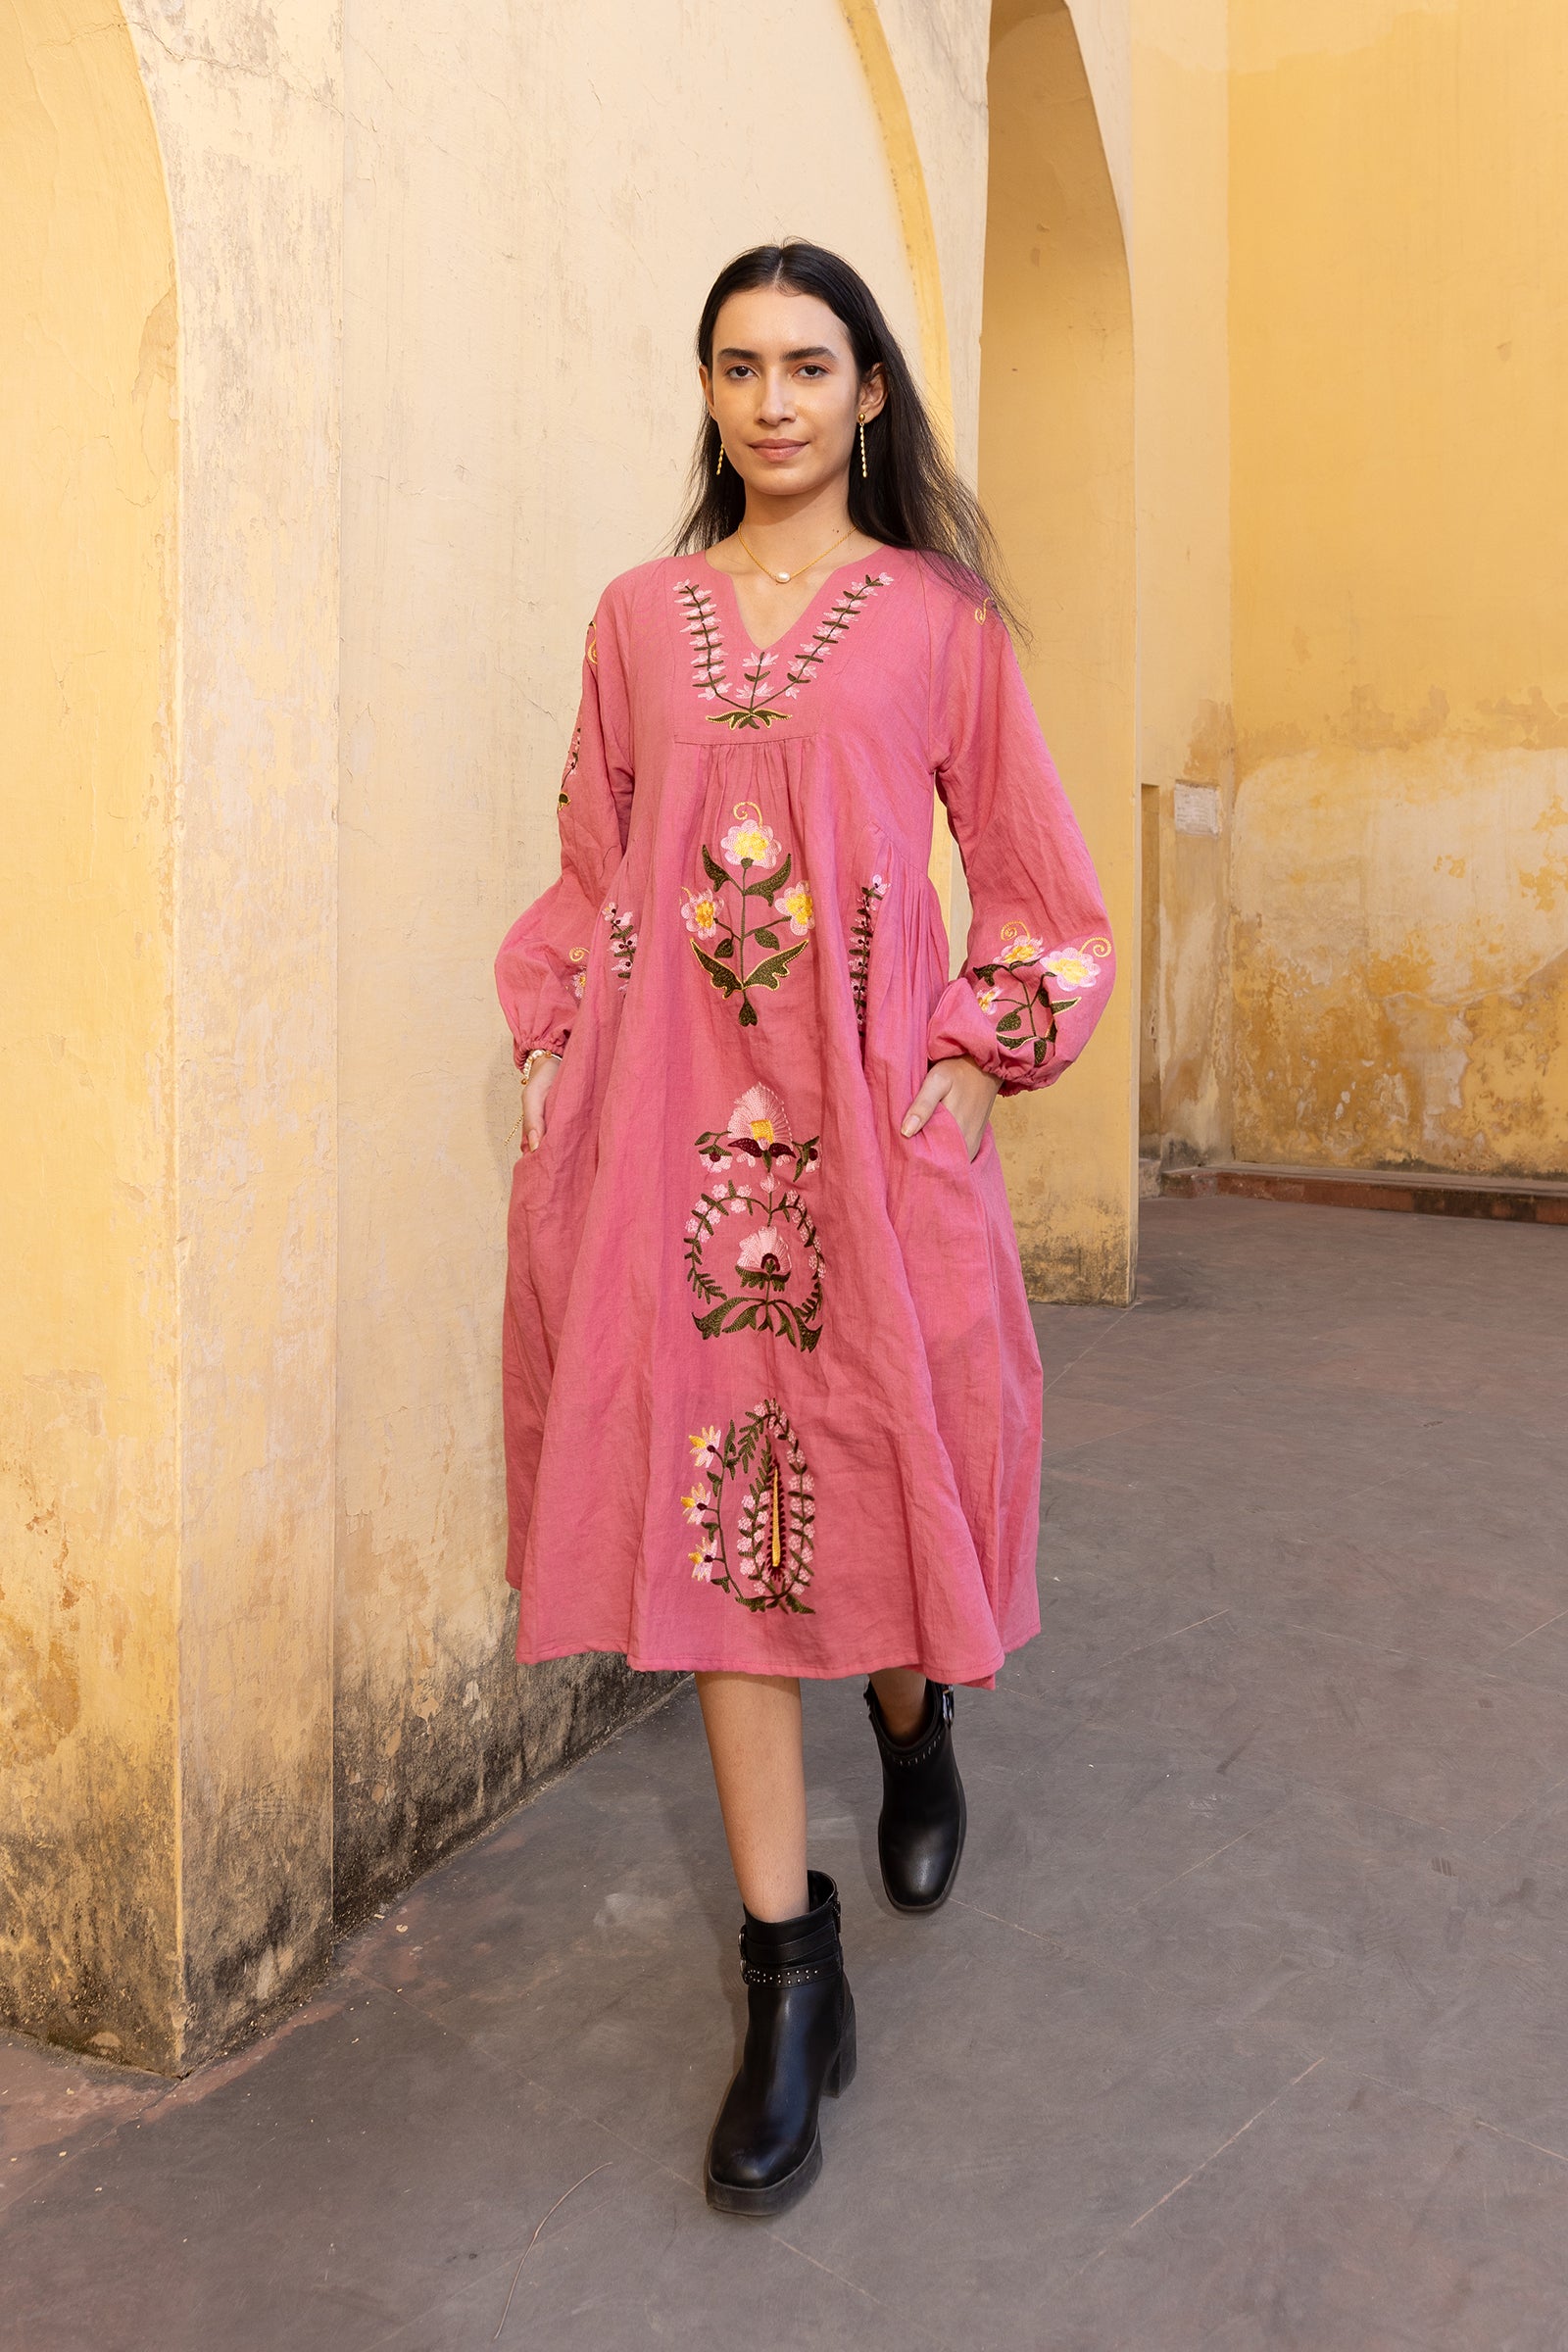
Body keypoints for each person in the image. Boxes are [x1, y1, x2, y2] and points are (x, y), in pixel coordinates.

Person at [495, 240, 1113, 2217]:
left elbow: (1035, 884)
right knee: (715, 1522)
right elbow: (593, 868)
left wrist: (975, 1057)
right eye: (737, 367)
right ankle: (787, 1972)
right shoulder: (631, 617)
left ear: (866, 394)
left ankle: (913, 1726)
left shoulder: (938, 622)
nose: (771, 400)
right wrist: (560, 1046)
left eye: (808, 366)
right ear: (704, 393)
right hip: (671, 1159)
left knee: (889, 1463)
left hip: (865, 1149)